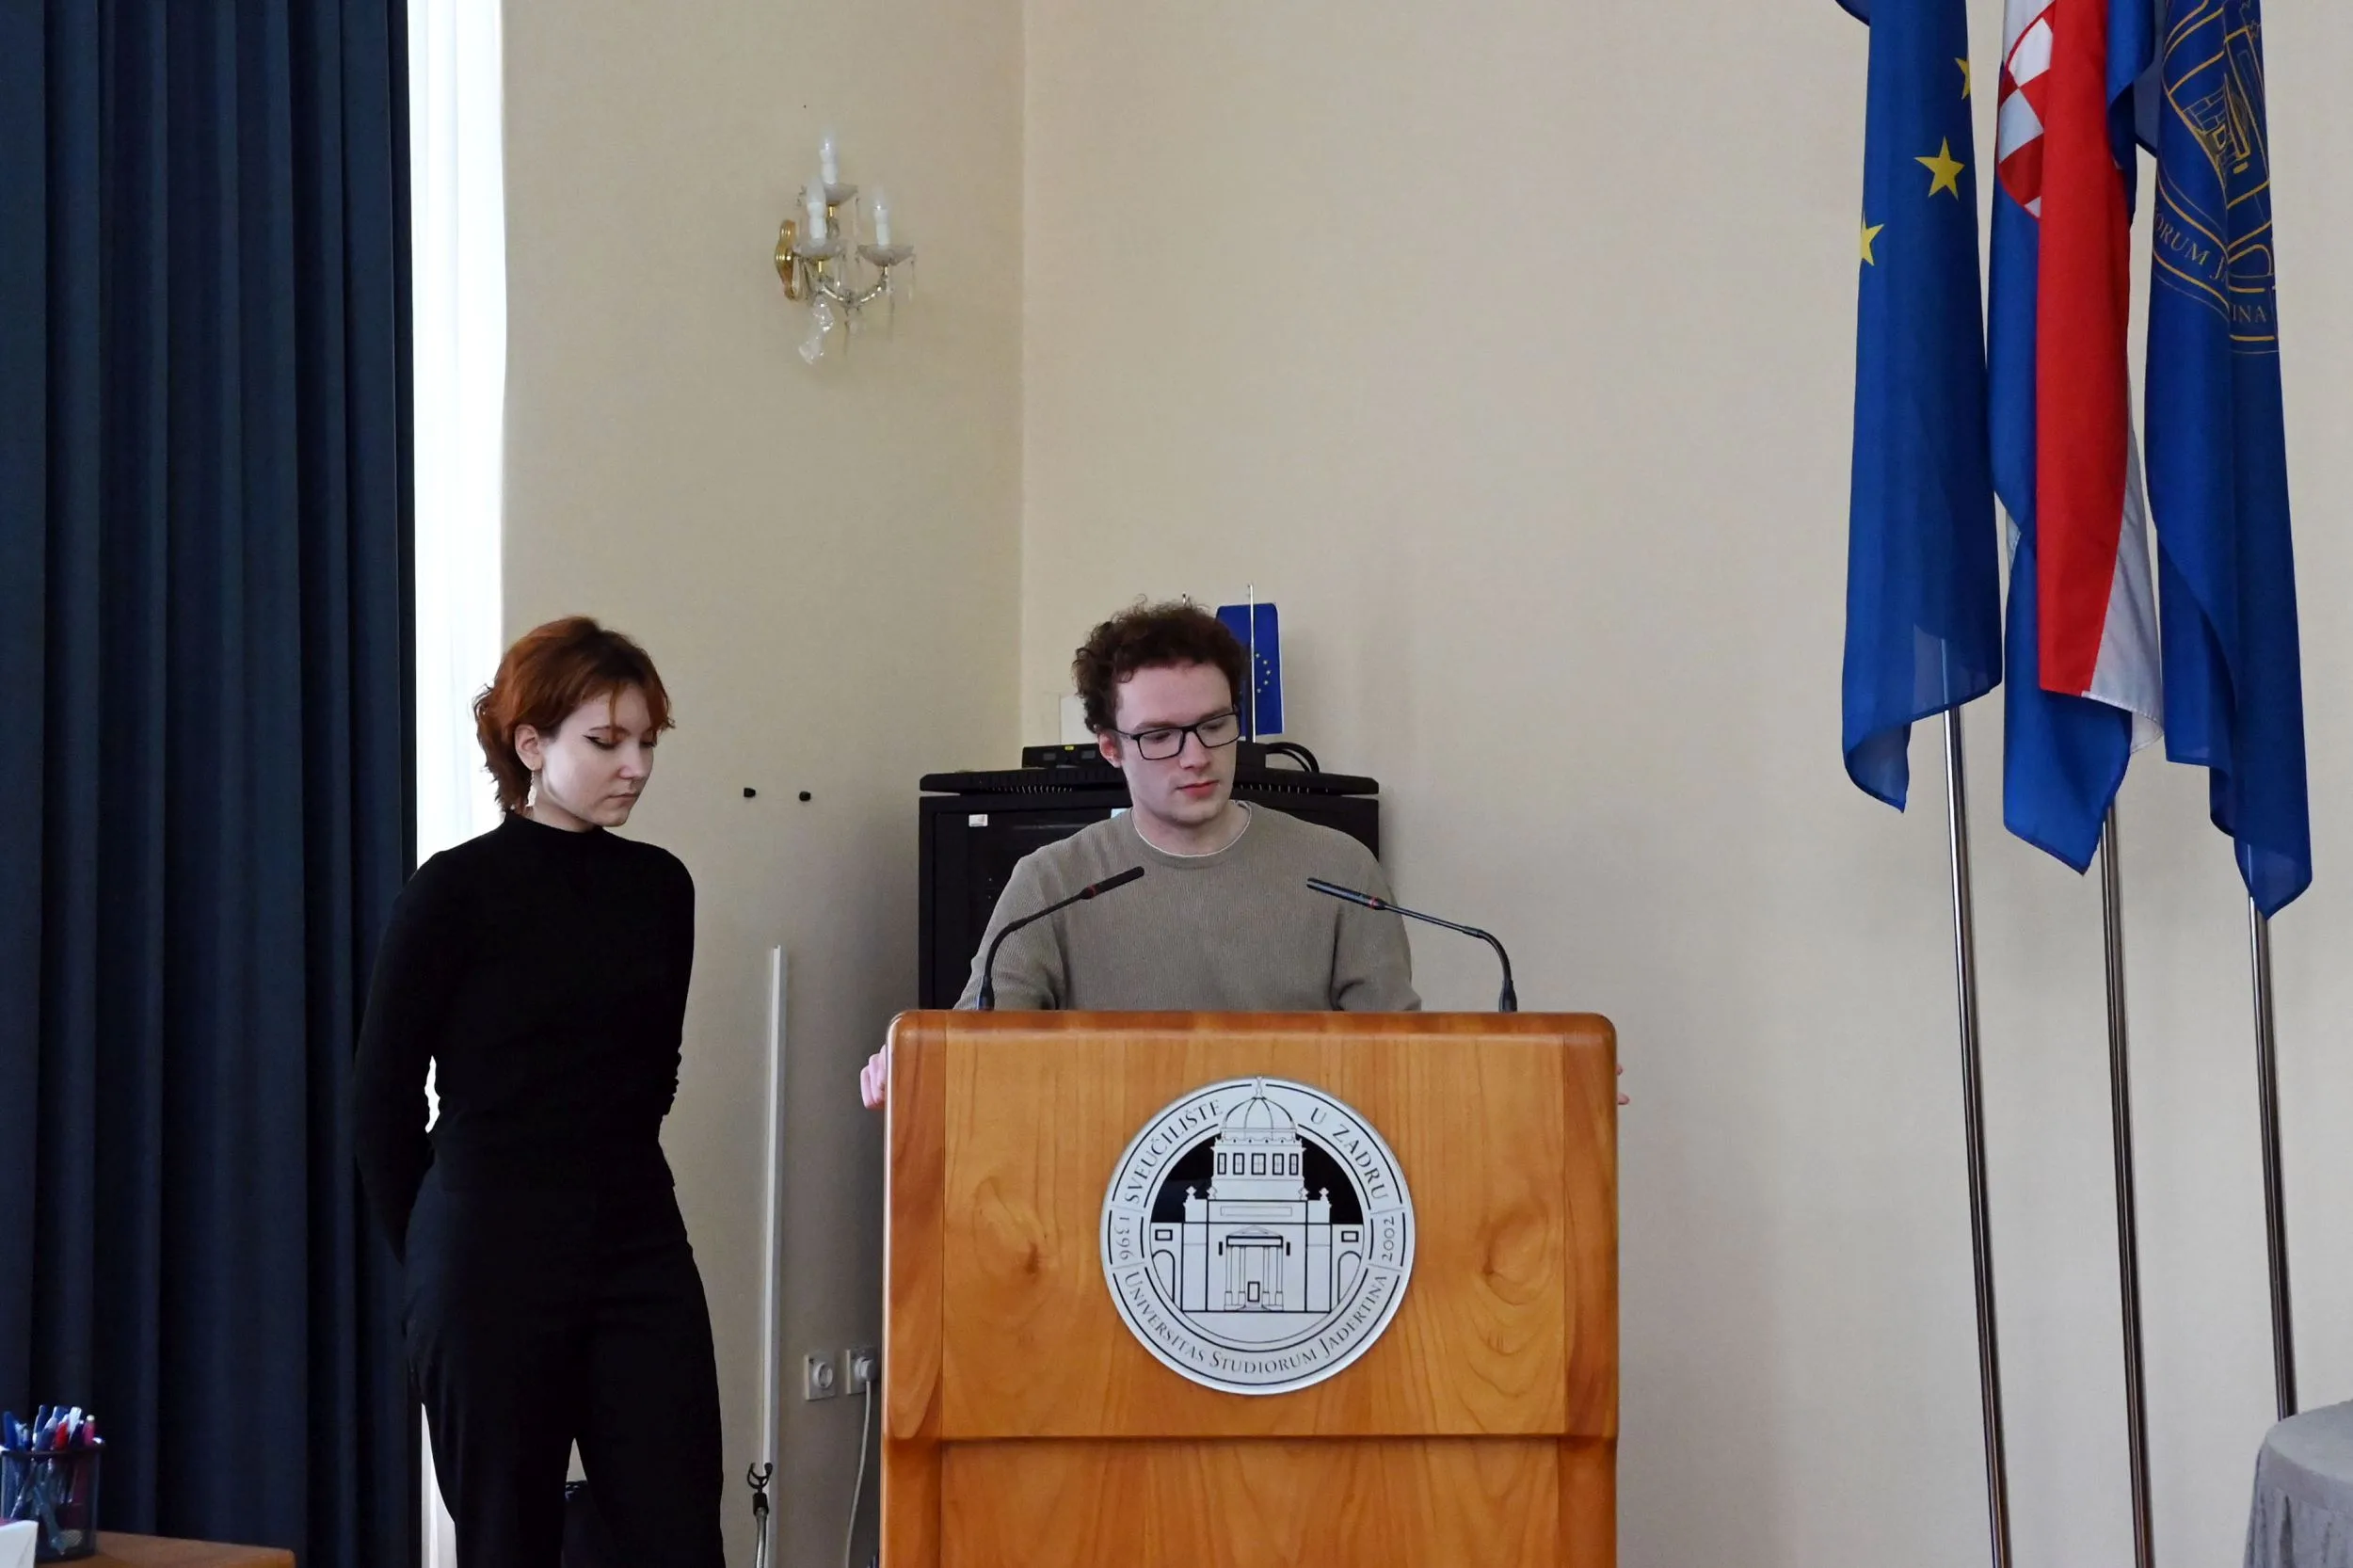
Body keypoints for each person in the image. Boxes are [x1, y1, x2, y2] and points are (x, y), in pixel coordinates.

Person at [352, 616, 724, 1568]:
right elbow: (381, 1099)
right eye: (606, 741)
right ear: (531, 746)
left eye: (646, 742)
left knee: (679, 1531)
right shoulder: (453, 890)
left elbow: (651, 1077)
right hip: (488, 1249)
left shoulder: (661, 889)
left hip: (636, 1239)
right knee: (506, 1540)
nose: (635, 766)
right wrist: (433, 1250)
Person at [862, 600, 1417, 1109]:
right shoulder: (1051, 883)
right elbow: (978, 1051)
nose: (1195, 756)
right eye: (1159, 736)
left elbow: (1403, 1066)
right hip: (1101, 1169)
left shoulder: (1339, 868)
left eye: (1215, 725)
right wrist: (919, 1063)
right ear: (1111, 747)